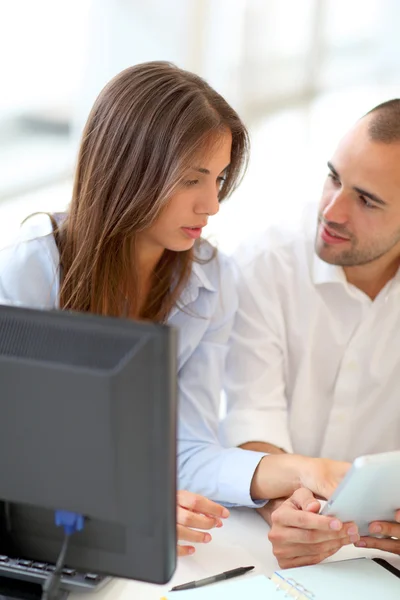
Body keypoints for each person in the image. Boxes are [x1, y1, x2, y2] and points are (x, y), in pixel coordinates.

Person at [0, 61, 349, 557]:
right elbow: (16, 448)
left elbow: (187, 450)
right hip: (37, 538)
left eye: (221, 178)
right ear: (128, 169)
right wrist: (127, 504)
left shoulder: (211, 279)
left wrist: (304, 470)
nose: (212, 204)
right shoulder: (30, 267)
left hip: (124, 548)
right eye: (192, 180)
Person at [223, 99, 400, 566]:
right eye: (333, 178)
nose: (332, 210)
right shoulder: (267, 263)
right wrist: (287, 510)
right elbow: (249, 419)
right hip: (263, 543)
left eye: (366, 200)